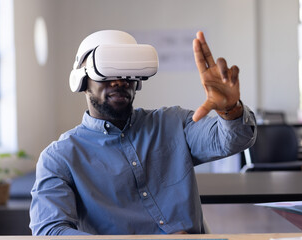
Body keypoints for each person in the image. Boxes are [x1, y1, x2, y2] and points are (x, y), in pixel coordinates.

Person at [29, 30, 257, 235]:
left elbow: (232, 140)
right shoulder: (60, 157)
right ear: (82, 80)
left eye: (128, 72)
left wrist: (230, 109)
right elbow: (51, 231)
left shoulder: (173, 123)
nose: (119, 81)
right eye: (107, 72)